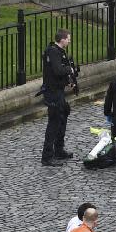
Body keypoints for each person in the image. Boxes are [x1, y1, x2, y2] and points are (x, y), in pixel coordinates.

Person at [40, 28, 76, 165]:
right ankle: (47, 156)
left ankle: (59, 149)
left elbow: (57, 74)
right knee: (54, 122)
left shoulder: (59, 52)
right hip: (53, 92)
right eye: (68, 38)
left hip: (58, 91)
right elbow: (57, 70)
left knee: (63, 114)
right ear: (62, 39)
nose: (69, 41)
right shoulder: (53, 52)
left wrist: (68, 82)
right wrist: (69, 70)